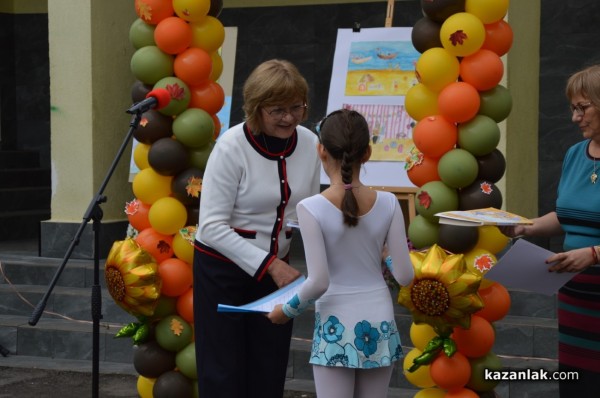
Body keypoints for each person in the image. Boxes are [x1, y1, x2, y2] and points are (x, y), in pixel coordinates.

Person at [192, 59, 321, 398]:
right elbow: (211, 227)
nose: (290, 118)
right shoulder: (231, 147)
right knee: (222, 370)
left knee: (269, 364)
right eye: (278, 110)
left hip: (279, 274)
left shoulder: (309, 143)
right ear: (255, 108)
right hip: (222, 272)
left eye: (297, 107)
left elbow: (308, 210)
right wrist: (271, 265)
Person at [267, 109, 414, 398]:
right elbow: (405, 276)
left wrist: (286, 310)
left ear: (321, 150)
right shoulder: (389, 203)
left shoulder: (311, 208)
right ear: (367, 153)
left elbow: (319, 281)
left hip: (335, 322)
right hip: (379, 319)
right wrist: (385, 254)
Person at [501, 64, 600, 397]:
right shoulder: (575, 154)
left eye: (583, 107)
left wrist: (593, 254)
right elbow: (566, 215)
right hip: (576, 300)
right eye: (573, 108)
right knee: (578, 385)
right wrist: (522, 227)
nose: (575, 117)